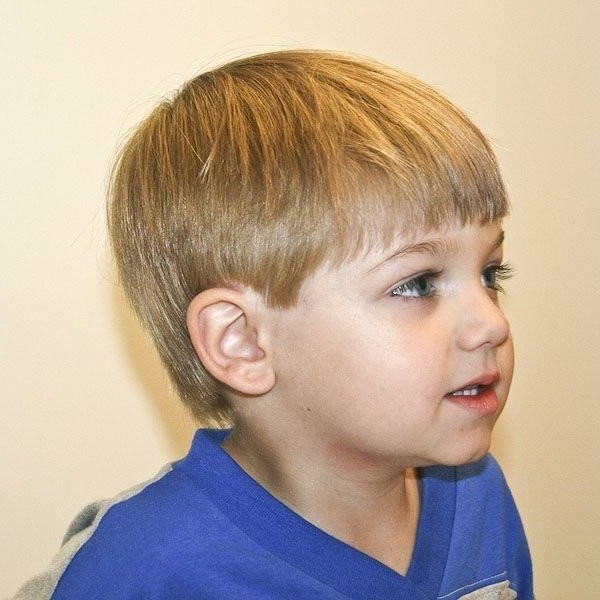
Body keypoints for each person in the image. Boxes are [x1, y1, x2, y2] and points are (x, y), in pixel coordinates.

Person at [14, 50, 533, 599]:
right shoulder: (143, 570)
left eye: (490, 273)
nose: (490, 323)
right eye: (415, 284)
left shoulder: (476, 494)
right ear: (242, 341)